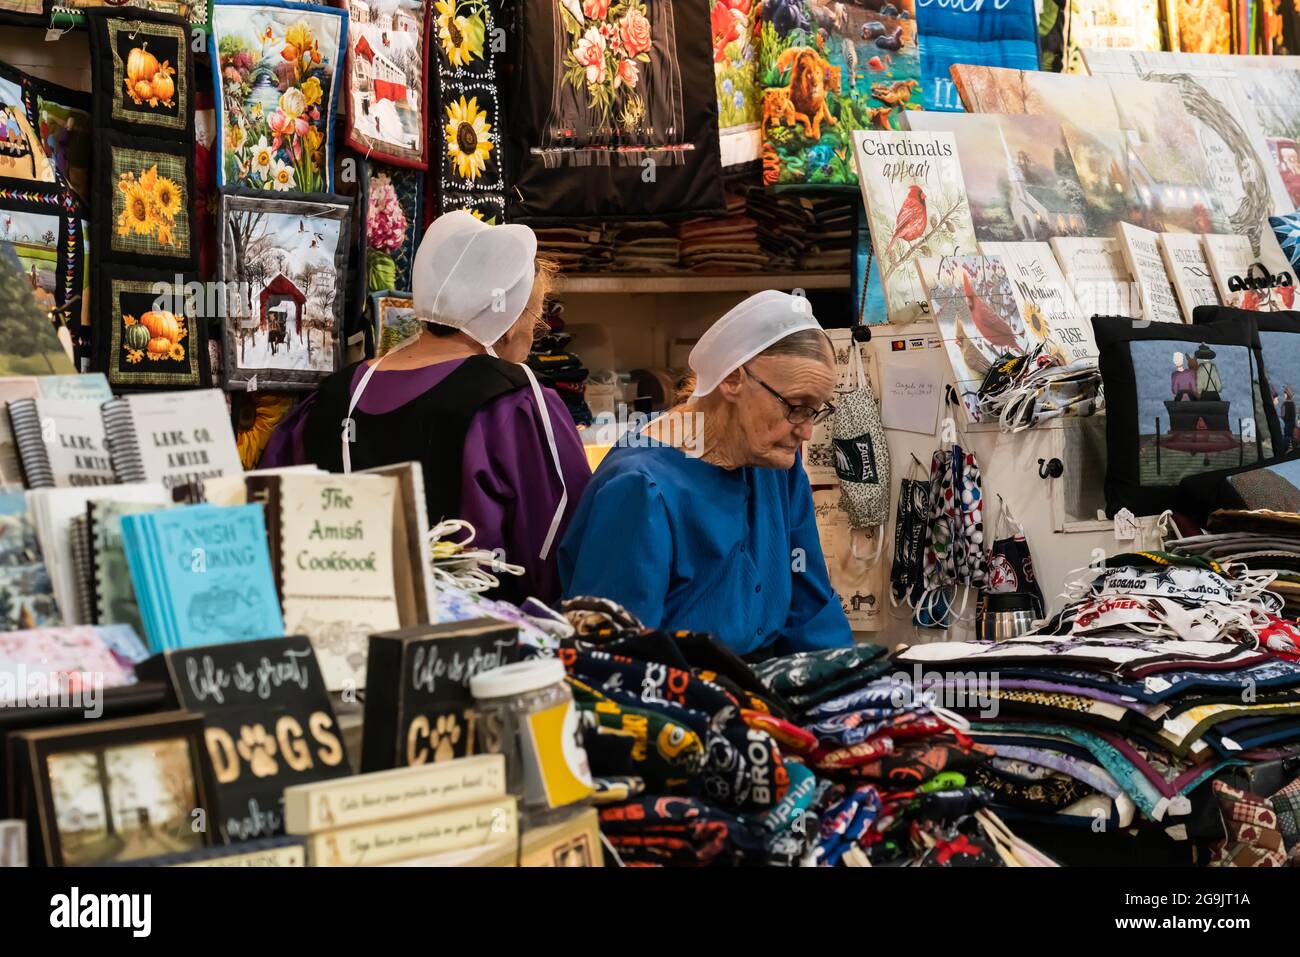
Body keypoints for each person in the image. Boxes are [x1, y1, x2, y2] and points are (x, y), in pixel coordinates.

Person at [261, 210, 591, 603]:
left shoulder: (331, 398)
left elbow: (269, 530)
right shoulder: (518, 406)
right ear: (508, 319)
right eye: (535, 318)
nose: (533, 336)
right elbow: (567, 554)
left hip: (336, 641)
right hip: (483, 647)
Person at [558, 290, 853, 657]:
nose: (806, 430)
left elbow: (811, 612)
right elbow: (617, 661)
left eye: (815, 411)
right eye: (796, 407)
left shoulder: (774, 466)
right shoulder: (640, 489)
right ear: (732, 379)